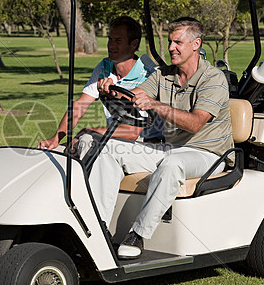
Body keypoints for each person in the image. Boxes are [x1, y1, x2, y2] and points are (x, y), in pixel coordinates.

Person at [91, 17, 233, 259]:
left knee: (172, 164)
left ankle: (137, 234)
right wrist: (109, 90)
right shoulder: (163, 75)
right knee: (109, 149)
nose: (170, 48)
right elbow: (133, 96)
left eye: (178, 42)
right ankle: (98, 228)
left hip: (209, 154)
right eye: (169, 42)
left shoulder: (213, 78)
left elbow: (195, 123)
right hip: (171, 148)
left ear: (196, 44)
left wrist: (155, 105)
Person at [38, 15, 157, 149]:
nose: (111, 45)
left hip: (146, 144)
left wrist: (89, 132)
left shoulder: (148, 74)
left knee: (86, 141)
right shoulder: (105, 67)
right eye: (110, 39)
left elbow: (133, 132)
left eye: (118, 41)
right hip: (113, 139)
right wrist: (56, 138)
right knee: (63, 151)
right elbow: (79, 105)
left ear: (134, 44)